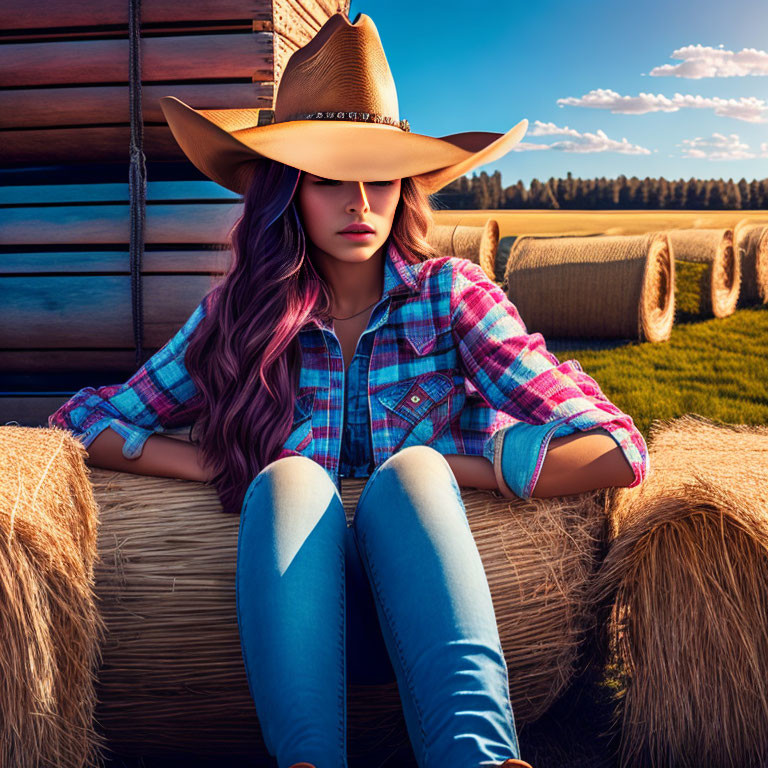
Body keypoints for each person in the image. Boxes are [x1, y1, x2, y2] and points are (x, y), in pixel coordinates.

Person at [48, 11, 649, 768]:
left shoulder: (451, 296)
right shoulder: (239, 314)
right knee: (293, 480)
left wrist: (467, 462)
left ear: (407, 188)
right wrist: (219, 467)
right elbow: (84, 420)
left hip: (432, 592)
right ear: (287, 191)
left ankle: (481, 759)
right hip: (296, 607)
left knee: (415, 471)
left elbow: (617, 448)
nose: (359, 204)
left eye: (381, 178)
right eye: (330, 179)